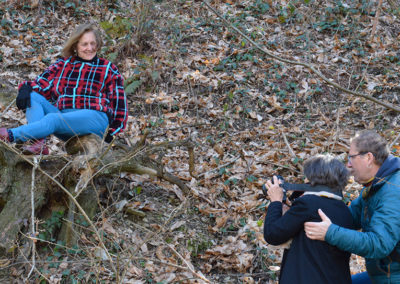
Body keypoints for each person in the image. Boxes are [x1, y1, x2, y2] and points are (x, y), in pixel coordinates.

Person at [0, 23, 128, 154]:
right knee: (32, 96)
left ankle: (9, 135)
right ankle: (38, 144)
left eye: (93, 43)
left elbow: (119, 105)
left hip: (94, 119)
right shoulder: (62, 65)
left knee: (52, 119)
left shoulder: (108, 68)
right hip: (64, 121)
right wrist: (25, 89)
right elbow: (40, 85)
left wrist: (112, 132)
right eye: (84, 44)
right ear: (75, 46)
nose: (89, 48)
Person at [304, 130, 400, 283]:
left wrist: (330, 232)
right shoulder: (377, 184)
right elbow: (348, 218)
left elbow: (380, 244)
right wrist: (306, 208)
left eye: (351, 157)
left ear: (368, 158)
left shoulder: (392, 191)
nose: (348, 164)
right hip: (383, 274)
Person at [264, 154, 354, 284]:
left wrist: (276, 201)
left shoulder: (308, 203)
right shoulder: (345, 211)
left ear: (314, 178)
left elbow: (273, 234)